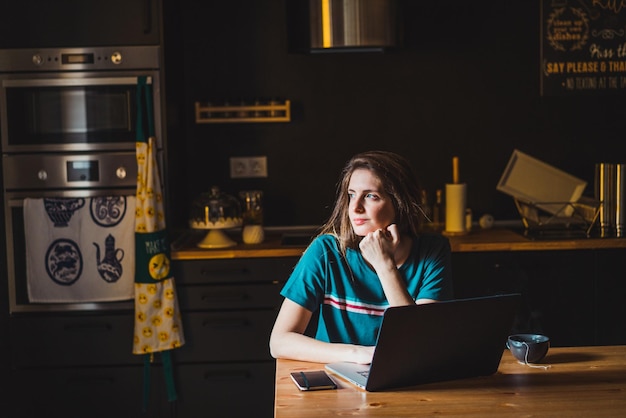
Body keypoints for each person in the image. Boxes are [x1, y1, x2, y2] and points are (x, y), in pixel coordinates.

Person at [269, 150, 454, 365]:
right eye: (351, 194)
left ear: (400, 203)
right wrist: (359, 354)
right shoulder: (326, 251)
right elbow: (279, 342)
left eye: (370, 196)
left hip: (406, 381)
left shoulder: (432, 251)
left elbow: (418, 343)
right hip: (335, 382)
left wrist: (385, 266)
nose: (355, 207)